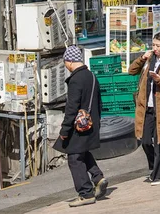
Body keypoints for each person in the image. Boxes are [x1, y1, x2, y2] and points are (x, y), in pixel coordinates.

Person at [53, 46, 108, 207]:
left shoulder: (76, 79)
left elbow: (72, 107)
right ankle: (98, 178)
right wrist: (96, 122)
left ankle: (85, 193)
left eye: (65, 62)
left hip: (79, 125)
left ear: (69, 61)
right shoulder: (91, 75)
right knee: (81, 152)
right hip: (91, 123)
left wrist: (64, 130)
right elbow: (99, 101)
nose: (65, 65)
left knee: (74, 157)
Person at [128, 32, 160, 186]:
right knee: (144, 140)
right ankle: (153, 166)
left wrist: (159, 79)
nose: (155, 48)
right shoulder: (150, 59)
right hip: (147, 106)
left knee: (159, 142)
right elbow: (131, 70)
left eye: (158, 46)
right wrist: (142, 58)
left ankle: (158, 174)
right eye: (153, 45)